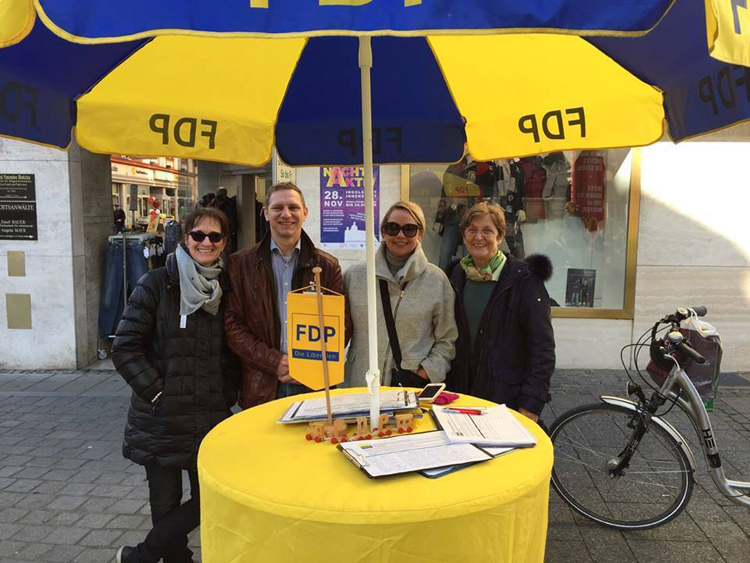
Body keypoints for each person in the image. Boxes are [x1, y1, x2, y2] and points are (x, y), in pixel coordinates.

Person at [111, 208, 239, 563]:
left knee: (209, 501)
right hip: (161, 418)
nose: (206, 242)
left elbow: (232, 348)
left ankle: (139, 557)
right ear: (185, 238)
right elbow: (124, 347)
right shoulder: (155, 283)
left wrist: (226, 391)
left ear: (224, 242)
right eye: (198, 235)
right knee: (165, 506)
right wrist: (157, 392)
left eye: (215, 236)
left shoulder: (226, 287)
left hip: (209, 417)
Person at [225, 182, 350, 408]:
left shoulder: (328, 266)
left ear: (305, 212)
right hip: (262, 383)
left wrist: (305, 364)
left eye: (293, 207)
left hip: (314, 384)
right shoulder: (240, 264)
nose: (286, 214)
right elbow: (233, 326)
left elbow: (342, 326)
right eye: (277, 208)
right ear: (265, 213)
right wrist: (274, 361)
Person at [445, 202, 555, 422]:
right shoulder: (454, 275)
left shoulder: (524, 280)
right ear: (464, 235)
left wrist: (531, 402)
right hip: (460, 394)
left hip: (505, 397)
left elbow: (541, 347)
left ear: (500, 236)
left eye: (487, 231)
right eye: (472, 230)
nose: (478, 237)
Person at [344, 201, 457, 387]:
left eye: (410, 229)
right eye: (393, 228)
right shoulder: (354, 276)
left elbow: (447, 337)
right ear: (383, 231)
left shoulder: (436, 281)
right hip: (360, 385)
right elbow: (339, 330)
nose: (400, 235)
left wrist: (426, 372)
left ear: (420, 233)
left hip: (409, 388)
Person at [209, 187, 239, 253]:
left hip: (214, 227)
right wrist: (233, 228)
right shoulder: (230, 203)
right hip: (226, 228)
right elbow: (232, 216)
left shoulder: (212, 203)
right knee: (227, 246)